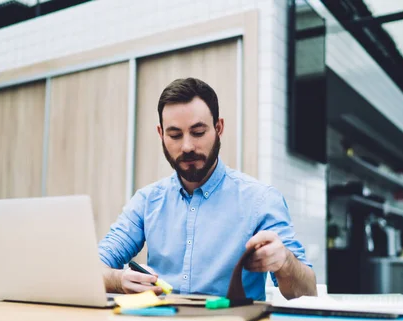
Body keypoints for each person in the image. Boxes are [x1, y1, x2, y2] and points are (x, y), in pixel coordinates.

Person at [99, 77, 317, 300]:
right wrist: (118, 280)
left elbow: (307, 292)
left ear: (218, 128)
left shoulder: (260, 200)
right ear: (161, 134)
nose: (187, 146)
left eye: (198, 132)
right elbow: (93, 267)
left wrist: (285, 262)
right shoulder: (147, 200)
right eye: (174, 135)